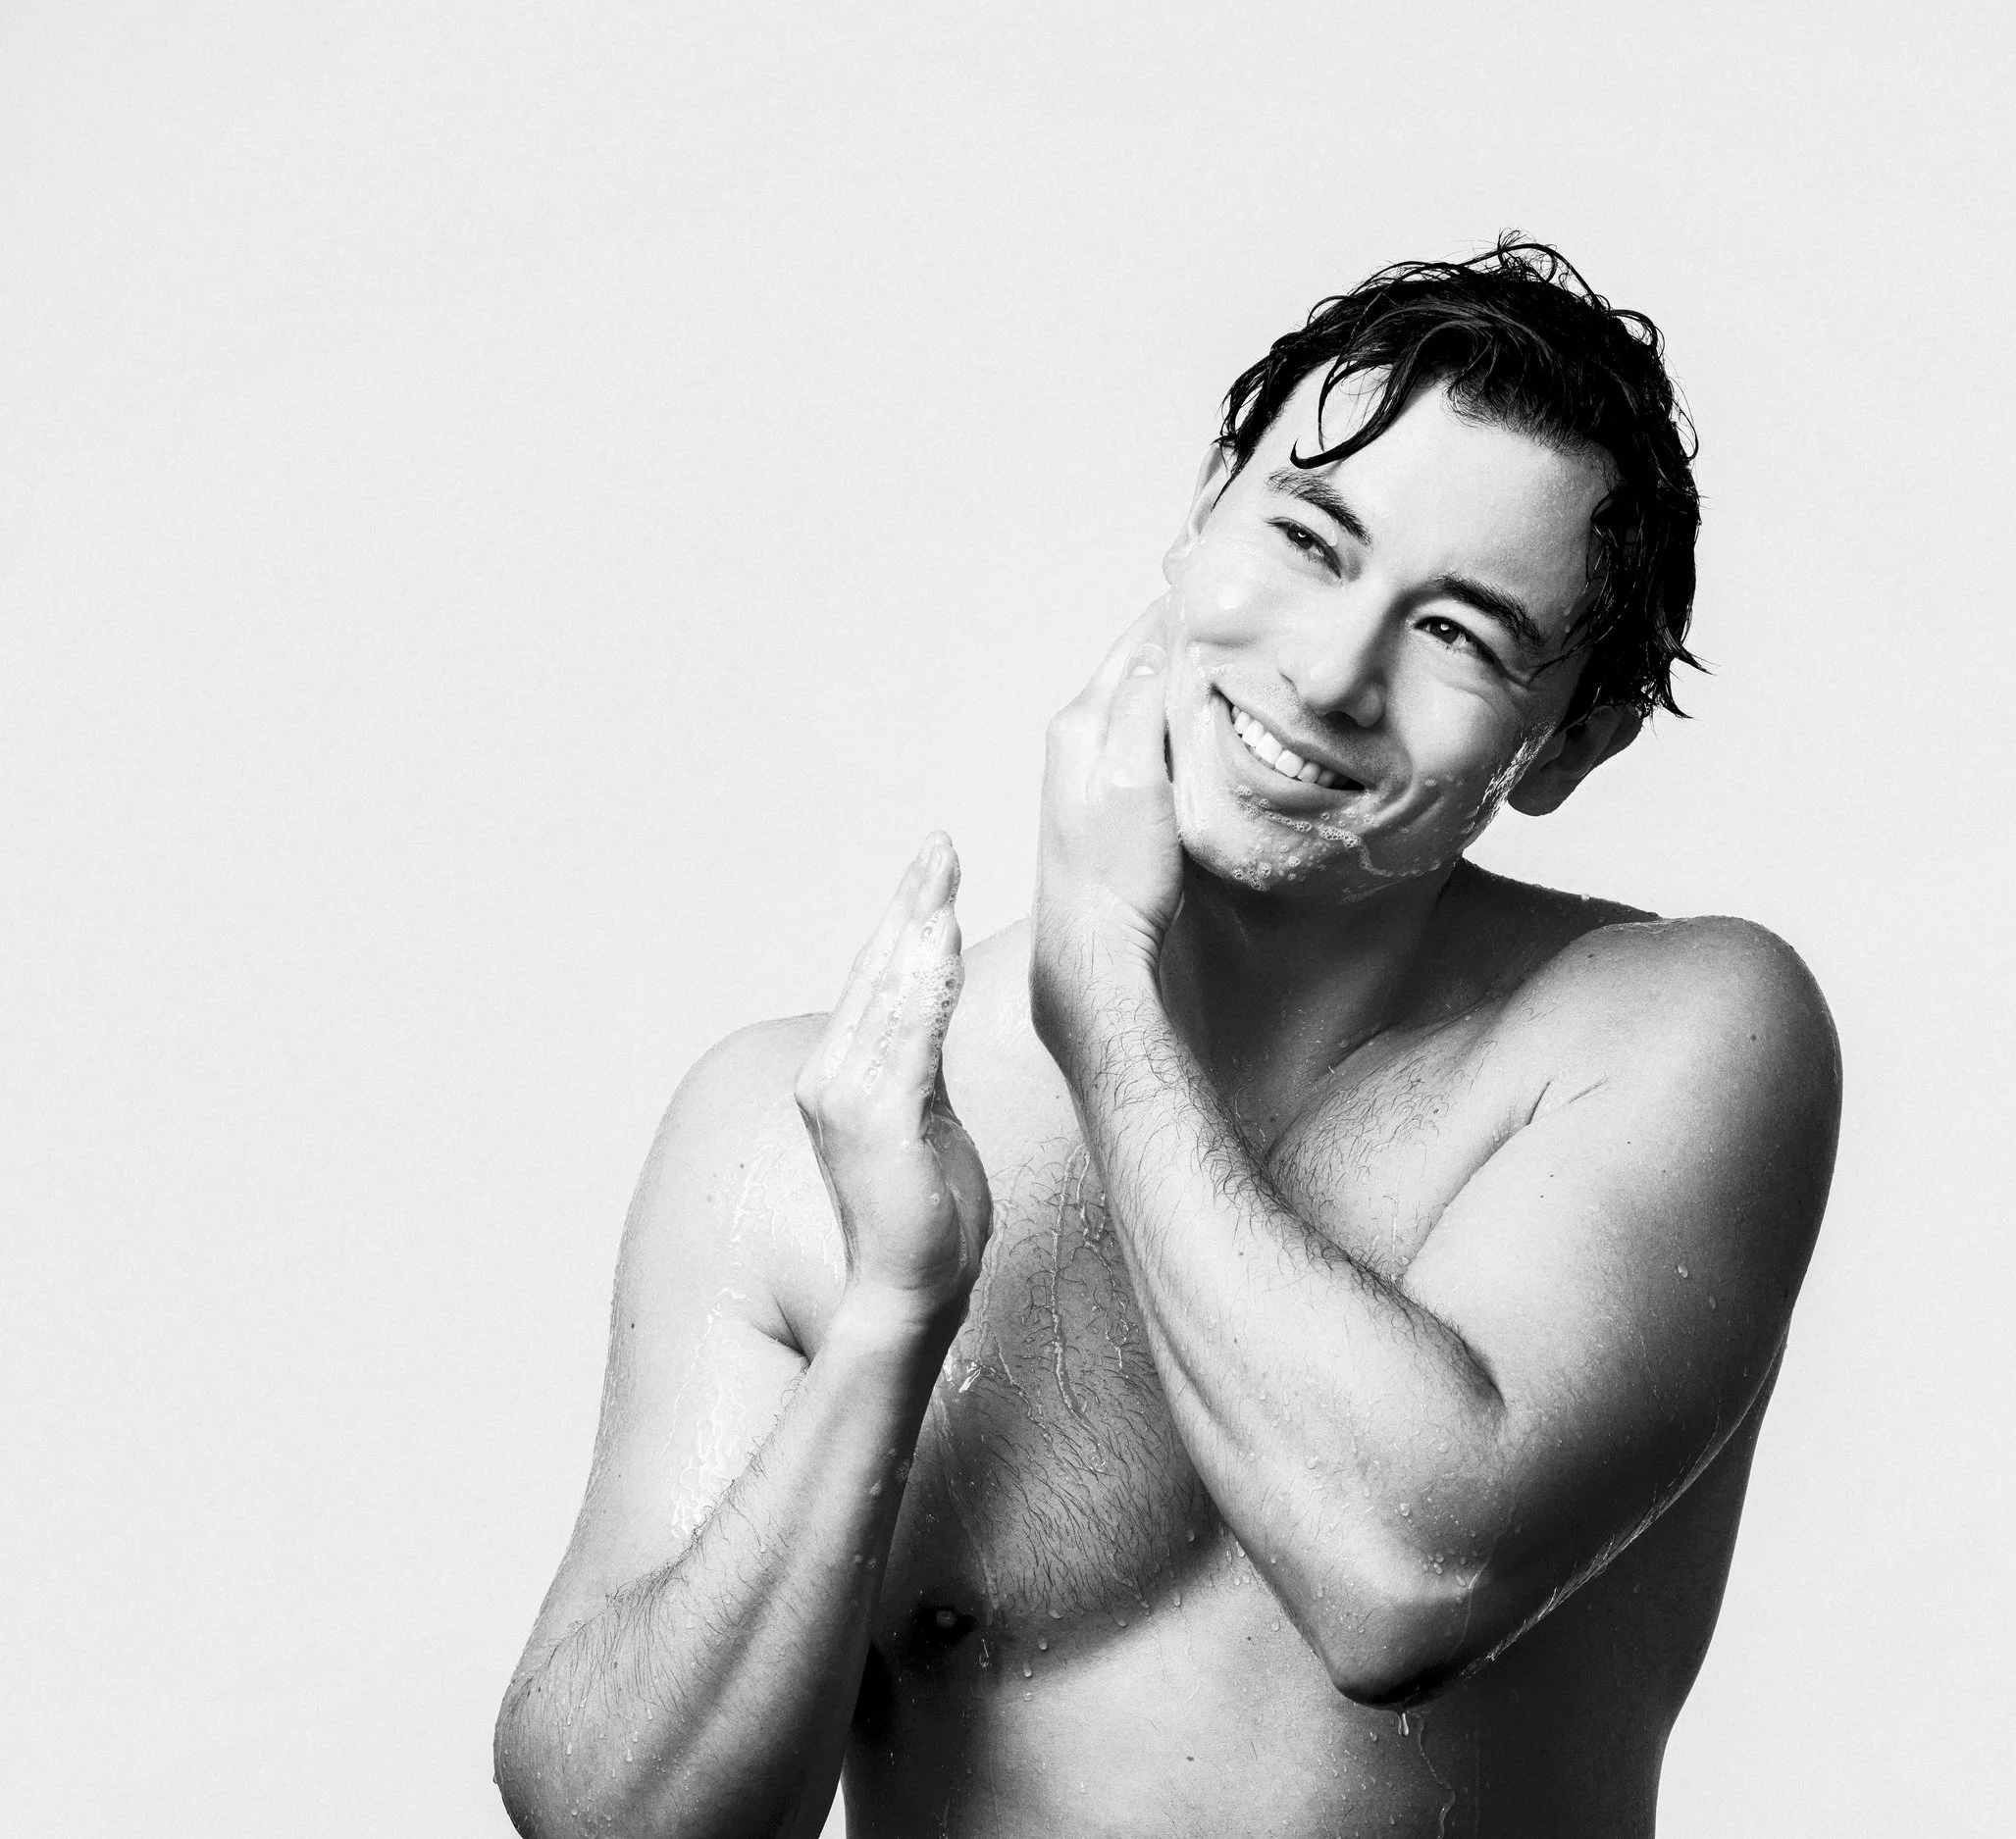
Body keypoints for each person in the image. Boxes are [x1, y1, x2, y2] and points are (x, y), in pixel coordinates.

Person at [495, 239, 1841, 1839]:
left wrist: (1109, 997)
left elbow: (1404, 1571)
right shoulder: (802, 1130)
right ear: (1202, 518)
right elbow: (617, 1823)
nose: (1334, 670)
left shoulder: (1667, 1034)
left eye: (1462, 635)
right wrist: (890, 1317)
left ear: (1568, 745)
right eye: (1307, 537)